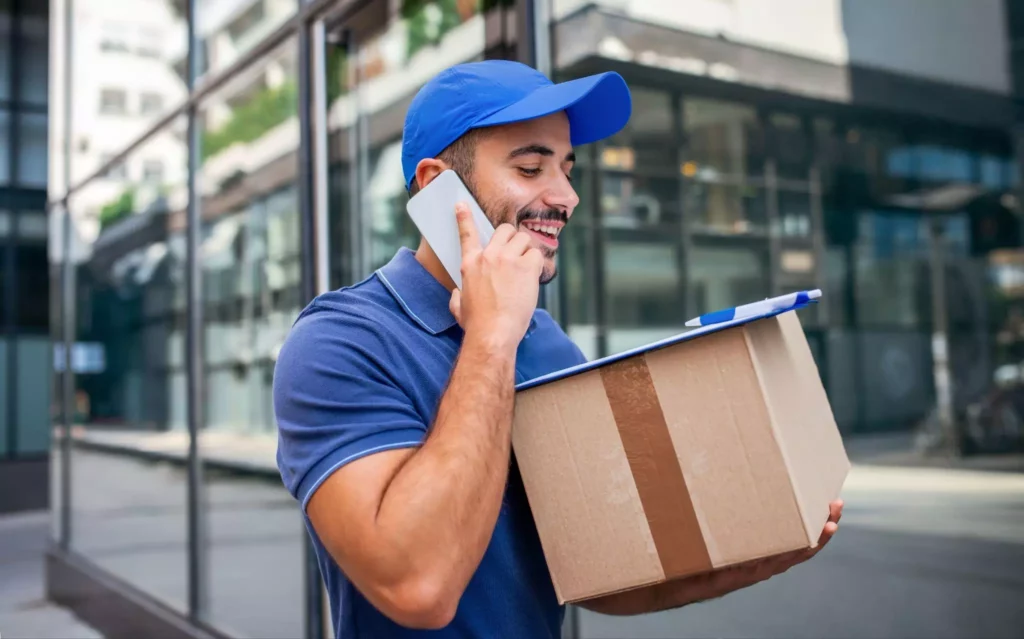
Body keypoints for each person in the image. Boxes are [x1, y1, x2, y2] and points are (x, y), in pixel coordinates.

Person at [273, 59, 843, 638]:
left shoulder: (545, 341)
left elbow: (598, 572)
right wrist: (491, 338)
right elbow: (418, 587)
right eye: (530, 167)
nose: (567, 197)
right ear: (437, 186)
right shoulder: (340, 342)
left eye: (568, 170)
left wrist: (752, 558)